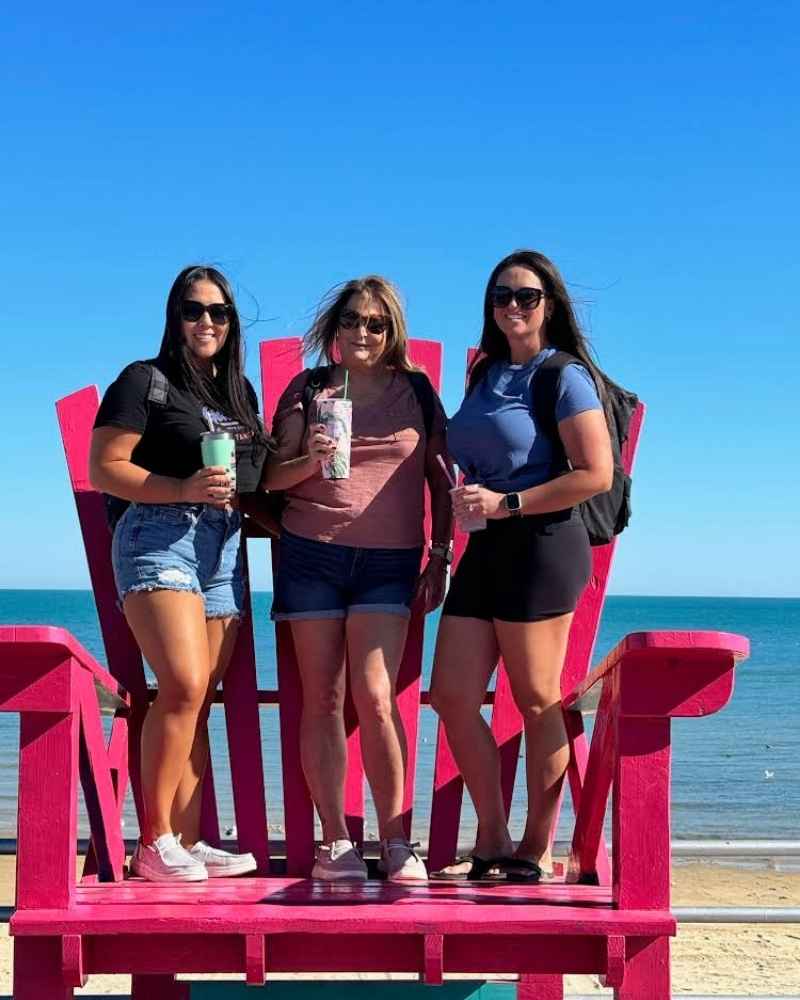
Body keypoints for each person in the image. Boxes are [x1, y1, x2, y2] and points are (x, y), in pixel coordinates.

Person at [429, 250, 613, 883]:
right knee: (452, 694)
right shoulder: (483, 376)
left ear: (549, 305)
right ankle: (492, 834)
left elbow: (595, 473)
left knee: (536, 699)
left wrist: (507, 501)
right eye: (502, 295)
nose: (512, 305)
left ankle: (535, 846)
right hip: (487, 549)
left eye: (526, 296)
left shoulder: (563, 377)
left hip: (541, 544)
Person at [264, 275, 452, 882]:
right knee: (321, 697)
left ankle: (396, 840)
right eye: (352, 320)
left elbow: (440, 478)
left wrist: (441, 553)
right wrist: (311, 458)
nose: (362, 332)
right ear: (335, 327)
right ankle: (335, 841)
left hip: (389, 561)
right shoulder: (310, 388)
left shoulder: (417, 394)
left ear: (391, 329)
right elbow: (271, 480)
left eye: (375, 323)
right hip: (311, 553)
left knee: (374, 695)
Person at [89, 265, 270, 882]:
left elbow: (260, 479)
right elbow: (106, 466)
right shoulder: (146, 380)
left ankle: (188, 844)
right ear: (175, 316)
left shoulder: (236, 393)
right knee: (184, 686)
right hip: (158, 537)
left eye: (219, 312)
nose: (207, 322)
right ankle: (155, 840)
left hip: (221, 547)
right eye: (195, 311)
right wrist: (181, 486)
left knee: (198, 701)